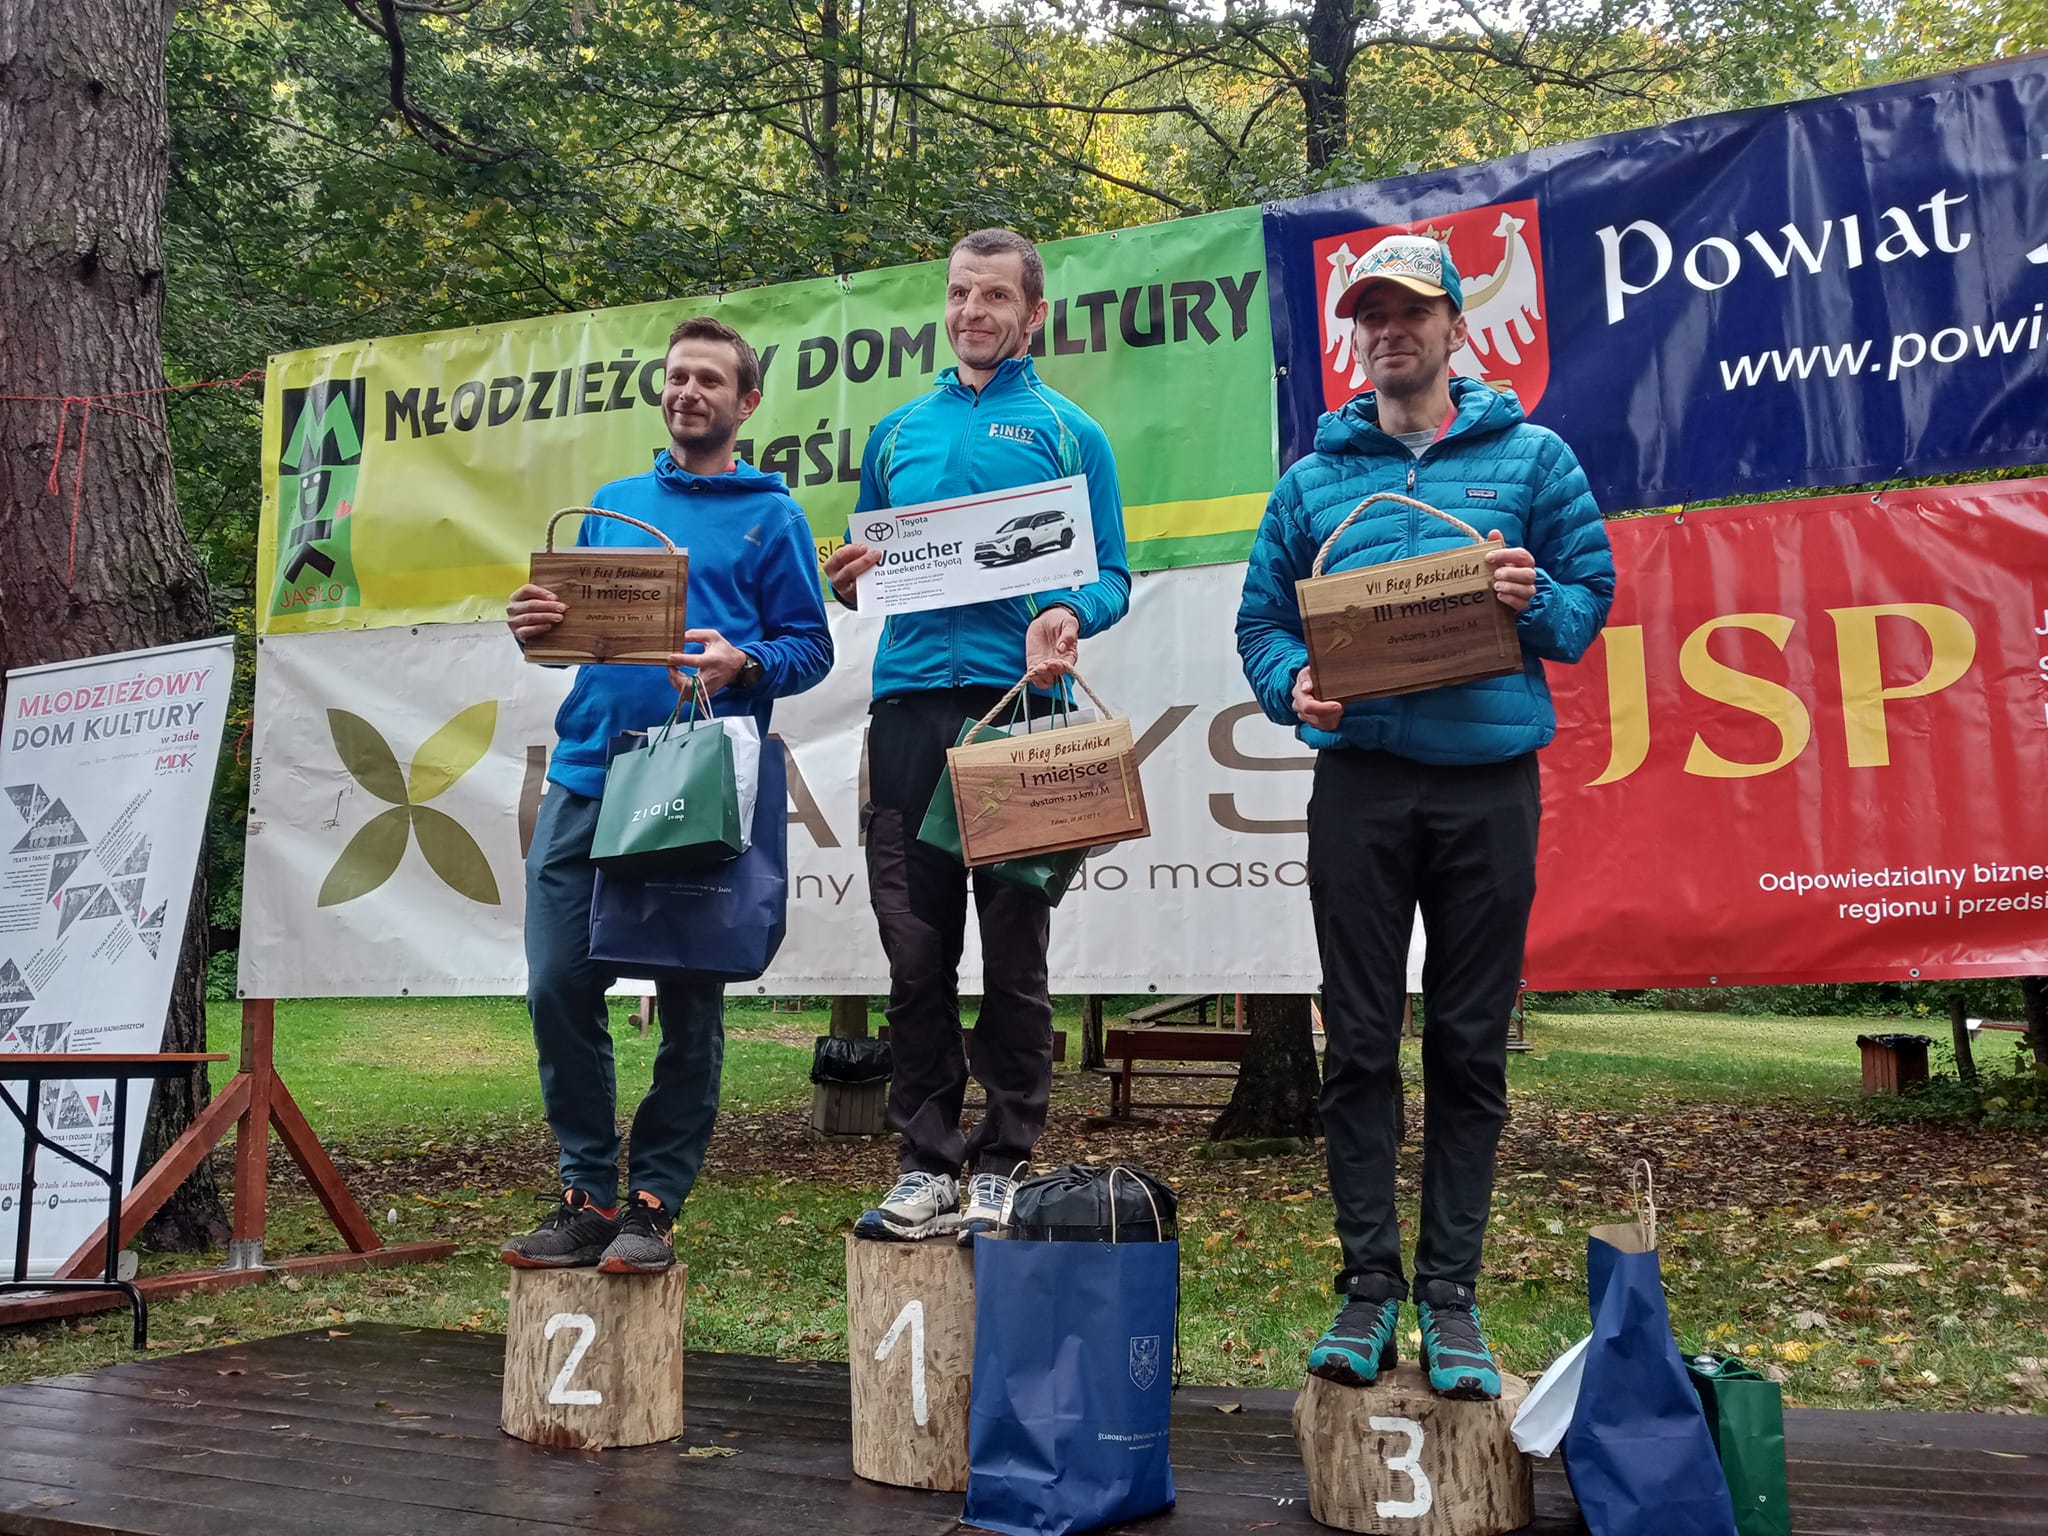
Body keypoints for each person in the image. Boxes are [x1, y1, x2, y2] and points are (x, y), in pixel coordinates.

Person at [1236, 234, 1614, 1399]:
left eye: (1412, 312)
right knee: (1355, 1043)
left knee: (1464, 1045)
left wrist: (1533, 593)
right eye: (1371, 316)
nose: (1389, 330)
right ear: (1356, 337)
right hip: (1358, 784)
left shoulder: (1533, 457)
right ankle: (1365, 1291)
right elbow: (1262, 625)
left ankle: (1450, 1298)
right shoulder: (1312, 480)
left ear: (1456, 326)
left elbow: (1582, 607)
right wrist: (1289, 687)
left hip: (1485, 783)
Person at [500, 316, 832, 1274]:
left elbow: (811, 649)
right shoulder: (612, 503)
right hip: (589, 773)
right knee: (558, 983)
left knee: (691, 999)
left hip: (698, 781)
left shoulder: (773, 517)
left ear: (746, 402)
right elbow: (568, 632)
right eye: (678, 377)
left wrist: (747, 662)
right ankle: (586, 1191)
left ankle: (654, 1201)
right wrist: (534, 626)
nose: (689, 392)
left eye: (710, 381)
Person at [823, 228, 1130, 1245]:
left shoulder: (1067, 431)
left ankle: (1001, 1161)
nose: (972, 313)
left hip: (1018, 714)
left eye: (994, 296)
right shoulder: (898, 432)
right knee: (913, 952)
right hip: (908, 703)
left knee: (1013, 953)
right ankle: (924, 1165)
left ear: (1031, 314)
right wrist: (850, 570)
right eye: (959, 294)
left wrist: (1068, 617)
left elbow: (1111, 575)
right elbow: (871, 552)